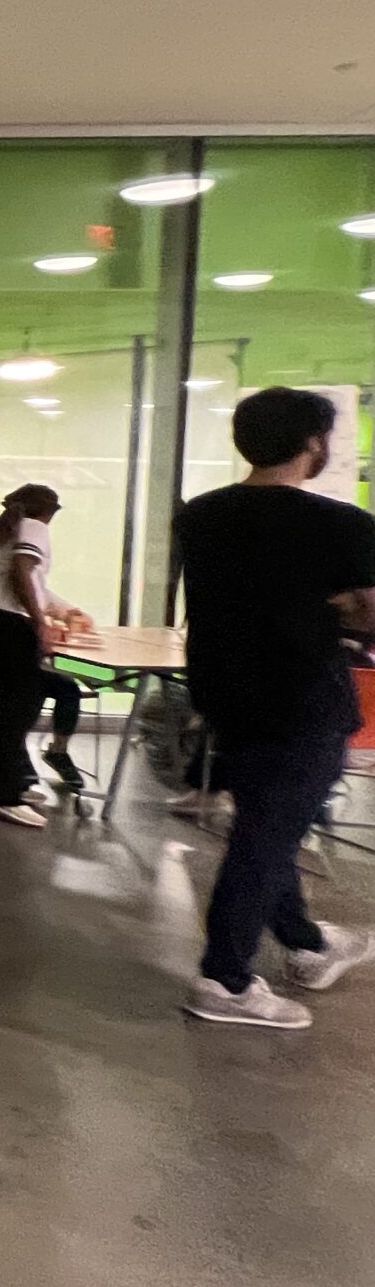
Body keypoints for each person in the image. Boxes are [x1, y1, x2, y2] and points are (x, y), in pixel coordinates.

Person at [178, 387, 375, 1028]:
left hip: (225, 693)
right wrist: (340, 607)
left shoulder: (200, 515)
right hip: (301, 699)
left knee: (266, 824)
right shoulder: (341, 523)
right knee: (266, 836)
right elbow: (370, 611)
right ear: (313, 443)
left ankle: (307, 944)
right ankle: (226, 981)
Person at [0, 484, 92, 825]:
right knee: (20, 707)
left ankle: (7, 783)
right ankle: (0, 794)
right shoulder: (35, 528)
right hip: (7, 618)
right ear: (49, 512)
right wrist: (40, 621)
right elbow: (21, 570)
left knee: (12, 704)